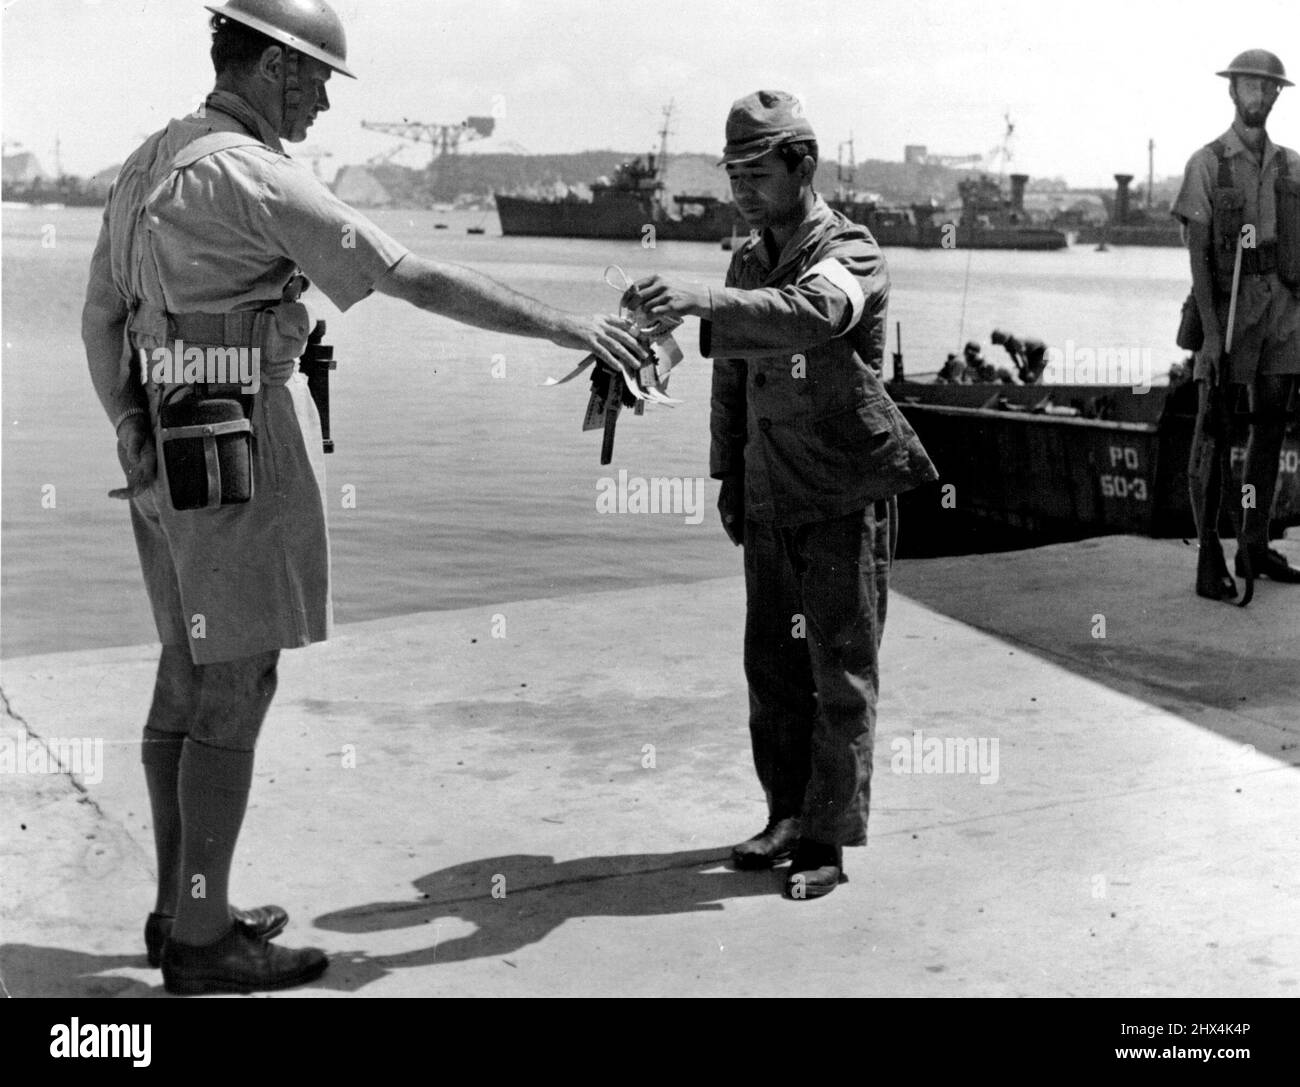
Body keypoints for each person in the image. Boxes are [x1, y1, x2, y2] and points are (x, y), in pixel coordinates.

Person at [81, 0, 644, 994]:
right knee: (237, 681)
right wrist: (571, 327)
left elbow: (99, 319)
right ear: (277, 69)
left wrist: (131, 428)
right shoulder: (252, 172)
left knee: (186, 671)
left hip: (163, 445)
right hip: (234, 440)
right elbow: (407, 273)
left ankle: (183, 908)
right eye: (319, 87)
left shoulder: (149, 160)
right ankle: (204, 944)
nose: (323, 111)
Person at [633, 91, 937, 899]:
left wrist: (701, 300)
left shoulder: (853, 248)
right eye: (732, 172)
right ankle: (786, 815)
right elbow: (730, 377)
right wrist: (727, 473)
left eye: (756, 172)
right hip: (770, 488)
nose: (741, 188)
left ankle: (828, 841)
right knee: (771, 668)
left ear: (804, 165)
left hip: (840, 490)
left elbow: (814, 314)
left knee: (839, 669)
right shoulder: (746, 260)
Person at [1173, 48, 1300, 598]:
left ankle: (1252, 540)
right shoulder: (1207, 164)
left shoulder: (1292, 165)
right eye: (1251, 86)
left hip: (1285, 310)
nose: (1261, 96)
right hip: (1227, 308)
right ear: (1232, 92)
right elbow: (1197, 258)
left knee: (1269, 428)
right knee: (1214, 430)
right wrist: (1206, 336)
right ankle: (1209, 556)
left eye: (1270, 88)